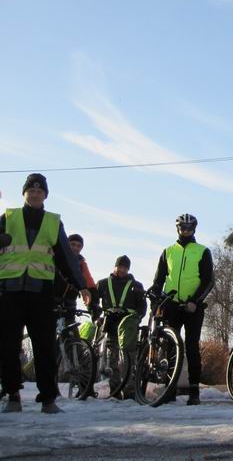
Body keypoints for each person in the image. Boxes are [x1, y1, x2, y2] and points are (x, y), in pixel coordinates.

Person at [0, 173, 88, 413]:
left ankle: (48, 399)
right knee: (7, 346)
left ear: (45, 195)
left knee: (45, 347)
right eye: (31, 190)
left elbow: (65, 257)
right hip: (10, 291)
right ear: (24, 193)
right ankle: (13, 395)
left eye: (40, 190)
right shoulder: (8, 217)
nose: (35, 193)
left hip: (41, 293)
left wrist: (81, 285)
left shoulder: (52, 222)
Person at [150, 213, 214, 405]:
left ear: (194, 229)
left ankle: (194, 392)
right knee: (170, 347)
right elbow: (158, 280)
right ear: (177, 229)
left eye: (189, 228)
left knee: (192, 347)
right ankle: (169, 389)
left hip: (193, 306)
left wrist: (195, 300)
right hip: (171, 304)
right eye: (183, 228)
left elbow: (208, 281)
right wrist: (155, 299)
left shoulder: (202, 251)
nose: (186, 231)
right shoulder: (168, 251)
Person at [97, 255, 145, 399]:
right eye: (120, 267)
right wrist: (96, 316)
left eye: (125, 267)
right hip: (111, 325)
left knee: (129, 358)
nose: (122, 270)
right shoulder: (103, 284)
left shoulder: (137, 286)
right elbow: (93, 299)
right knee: (112, 358)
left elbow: (142, 306)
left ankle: (130, 391)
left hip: (128, 327)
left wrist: (136, 319)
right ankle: (115, 390)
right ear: (115, 267)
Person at [55, 233, 100, 324]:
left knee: (72, 336)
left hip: (69, 305)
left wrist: (94, 305)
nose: (76, 248)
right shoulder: (55, 257)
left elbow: (89, 284)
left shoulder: (81, 264)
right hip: (51, 301)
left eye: (79, 246)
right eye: (73, 244)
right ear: (67, 244)